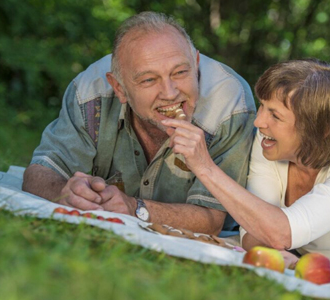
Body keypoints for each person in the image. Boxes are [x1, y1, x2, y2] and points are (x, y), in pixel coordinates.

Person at [162, 59, 330, 283]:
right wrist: (274, 246)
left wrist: (204, 166)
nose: (258, 122)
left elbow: (278, 232)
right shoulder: (270, 143)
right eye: (262, 106)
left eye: (275, 115)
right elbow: (254, 232)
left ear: (320, 129)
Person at [22, 11, 256, 236]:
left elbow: (213, 220)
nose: (170, 92)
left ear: (195, 63)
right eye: (149, 80)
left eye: (180, 72)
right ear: (119, 88)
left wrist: (135, 208)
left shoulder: (230, 105)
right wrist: (64, 192)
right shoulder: (89, 93)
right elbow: (40, 172)